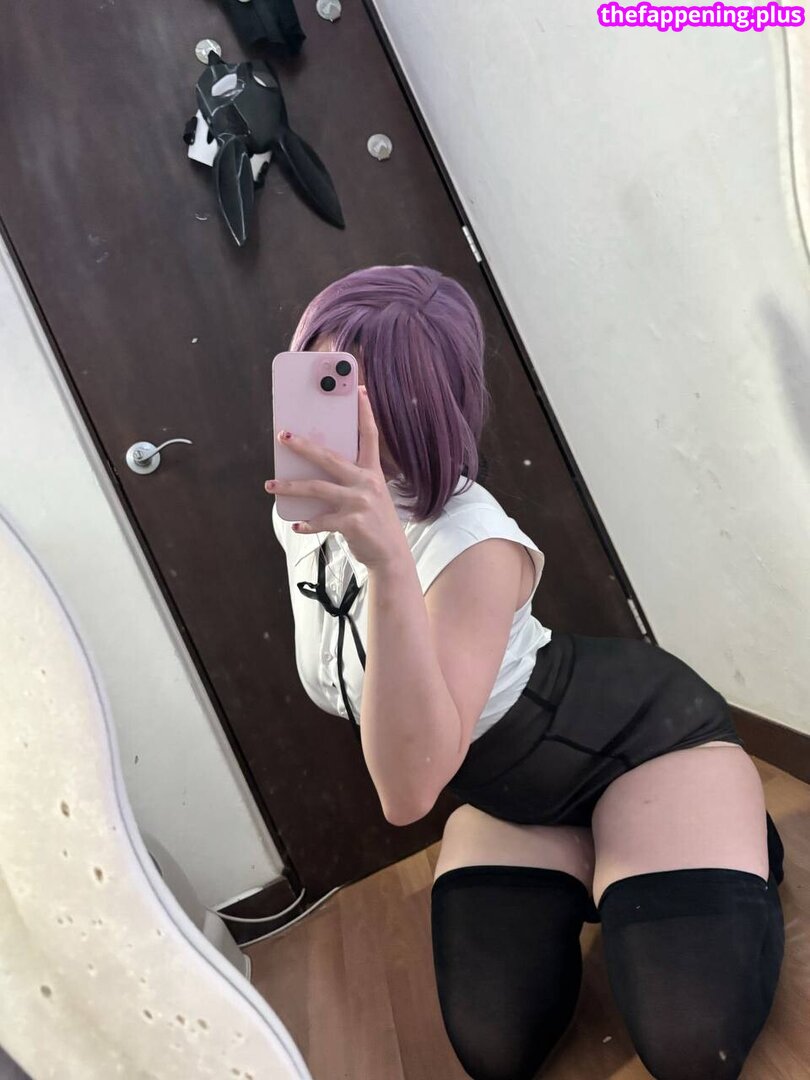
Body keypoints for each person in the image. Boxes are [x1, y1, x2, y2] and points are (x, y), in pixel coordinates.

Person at [266, 264, 785, 1080]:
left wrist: (391, 565)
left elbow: (407, 795)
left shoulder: (471, 540)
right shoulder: (300, 519)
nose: (337, 420)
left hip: (641, 742)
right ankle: (611, 847)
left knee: (690, 1044)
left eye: (371, 394)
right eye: (320, 380)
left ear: (424, 402)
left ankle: (717, 828)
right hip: (516, 787)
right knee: (494, 1047)